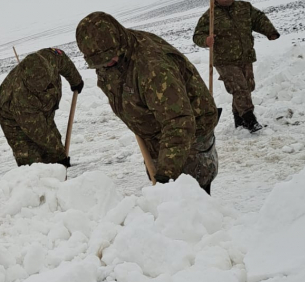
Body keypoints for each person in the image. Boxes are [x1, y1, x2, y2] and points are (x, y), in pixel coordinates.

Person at [76, 11, 219, 193]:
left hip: (188, 132)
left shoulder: (152, 67)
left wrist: (166, 175)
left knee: (189, 194)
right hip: (156, 132)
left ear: (118, 41)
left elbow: (178, 122)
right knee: (165, 194)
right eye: (101, 62)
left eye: (110, 57)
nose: (107, 63)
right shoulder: (111, 55)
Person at [193, 0, 280, 132]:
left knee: (247, 87)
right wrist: (206, 40)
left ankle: (238, 121)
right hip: (224, 60)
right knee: (240, 88)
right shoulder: (210, 16)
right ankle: (250, 120)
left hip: (245, 56)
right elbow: (197, 35)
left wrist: (270, 32)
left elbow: (258, 19)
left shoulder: (244, 8)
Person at [0, 48, 83, 167]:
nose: (44, 89)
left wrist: (75, 80)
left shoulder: (50, 57)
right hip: (13, 120)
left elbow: (64, 61)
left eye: (46, 86)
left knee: (53, 144)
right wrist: (60, 156)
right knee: (31, 160)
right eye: (39, 89)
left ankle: (57, 178)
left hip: (41, 108)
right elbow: (40, 133)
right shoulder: (21, 97)